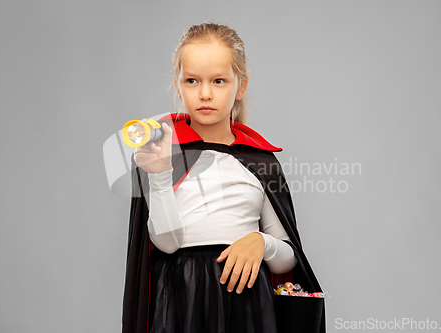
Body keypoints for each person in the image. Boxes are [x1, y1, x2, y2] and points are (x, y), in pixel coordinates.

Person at [122, 23, 325, 333]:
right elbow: (165, 242)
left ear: (240, 86)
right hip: (180, 302)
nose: (205, 93)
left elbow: (287, 260)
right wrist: (160, 175)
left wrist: (262, 243)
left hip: (246, 306)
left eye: (219, 81)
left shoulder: (260, 161)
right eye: (192, 80)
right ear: (178, 85)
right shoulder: (161, 155)